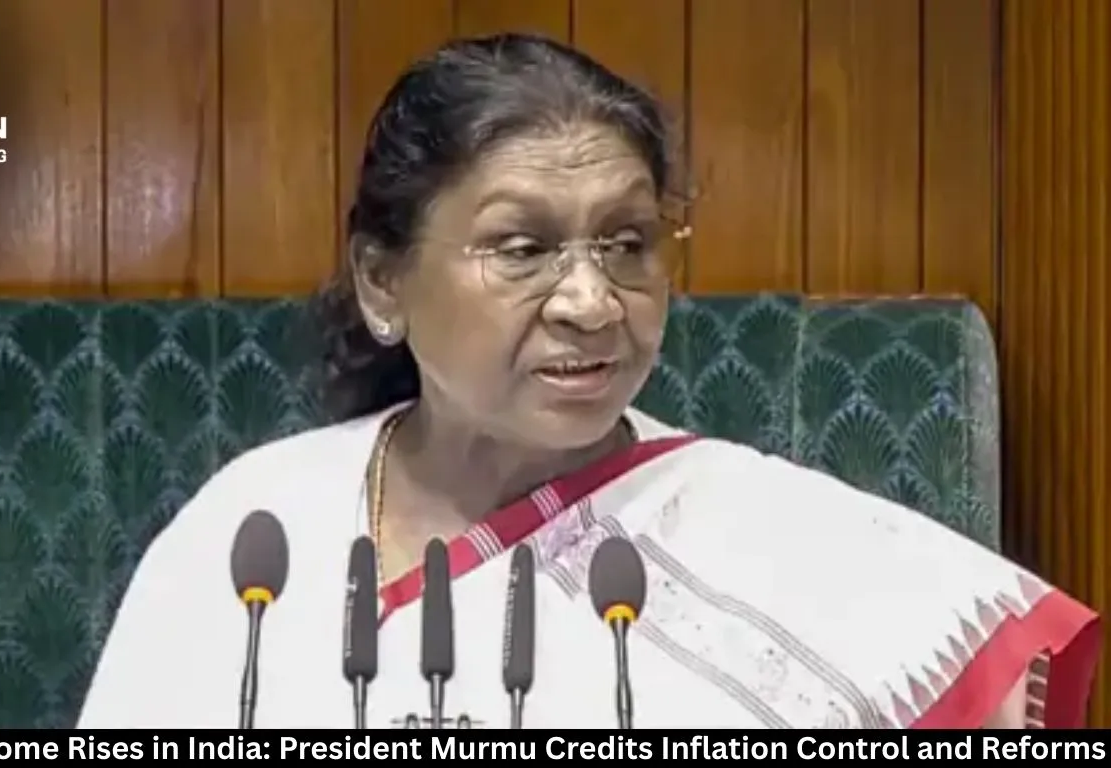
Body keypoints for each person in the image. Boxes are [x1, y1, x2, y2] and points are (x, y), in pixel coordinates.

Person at [76, 33, 1099, 730]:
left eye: (627, 243)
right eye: (522, 249)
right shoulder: (255, 523)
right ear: (383, 281)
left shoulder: (779, 538)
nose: (592, 301)